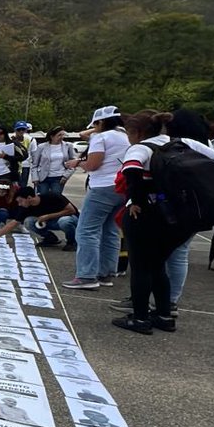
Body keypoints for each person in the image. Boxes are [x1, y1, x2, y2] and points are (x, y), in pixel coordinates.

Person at [113, 110, 214, 333]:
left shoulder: (141, 147)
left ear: (136, 131)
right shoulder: (185, 143)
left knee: (141, 267)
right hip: (180, 217)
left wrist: (136, 200)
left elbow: (131, 168)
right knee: (159, 265)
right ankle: (164, 315)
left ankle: (140, 318)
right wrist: (213, 193)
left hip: (148, 213)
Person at [63, 106, 130, 290]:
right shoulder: (125, 137)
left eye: (96, 124)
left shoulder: (101, 137)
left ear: (101, 122)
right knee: (110, 231)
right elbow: (84, 134)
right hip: (121, 187)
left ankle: (86, 276)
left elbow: (93, 164)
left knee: (86, 231)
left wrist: (76, 163)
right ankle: (106, 273)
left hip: (102, 187)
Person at [31, 127, 76, 196]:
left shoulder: (68, 146)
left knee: (56, 198)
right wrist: (35, 178)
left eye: (63, 135)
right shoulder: (41, 147)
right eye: (59, 135)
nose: (62, 137)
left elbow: (74, 162)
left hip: (59, 177)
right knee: (43, 198)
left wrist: (66, 176)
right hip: (43, 178)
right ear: (52, 136)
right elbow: (34, 164)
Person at [12, 121, 34, 187]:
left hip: (25, 166)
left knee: (23, 186)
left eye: (23, 129)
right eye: (19, 129)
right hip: (13, 166)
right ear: (15, 130)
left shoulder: (31, 140)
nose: (21, 131)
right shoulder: (11, 139)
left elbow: (34, 153)